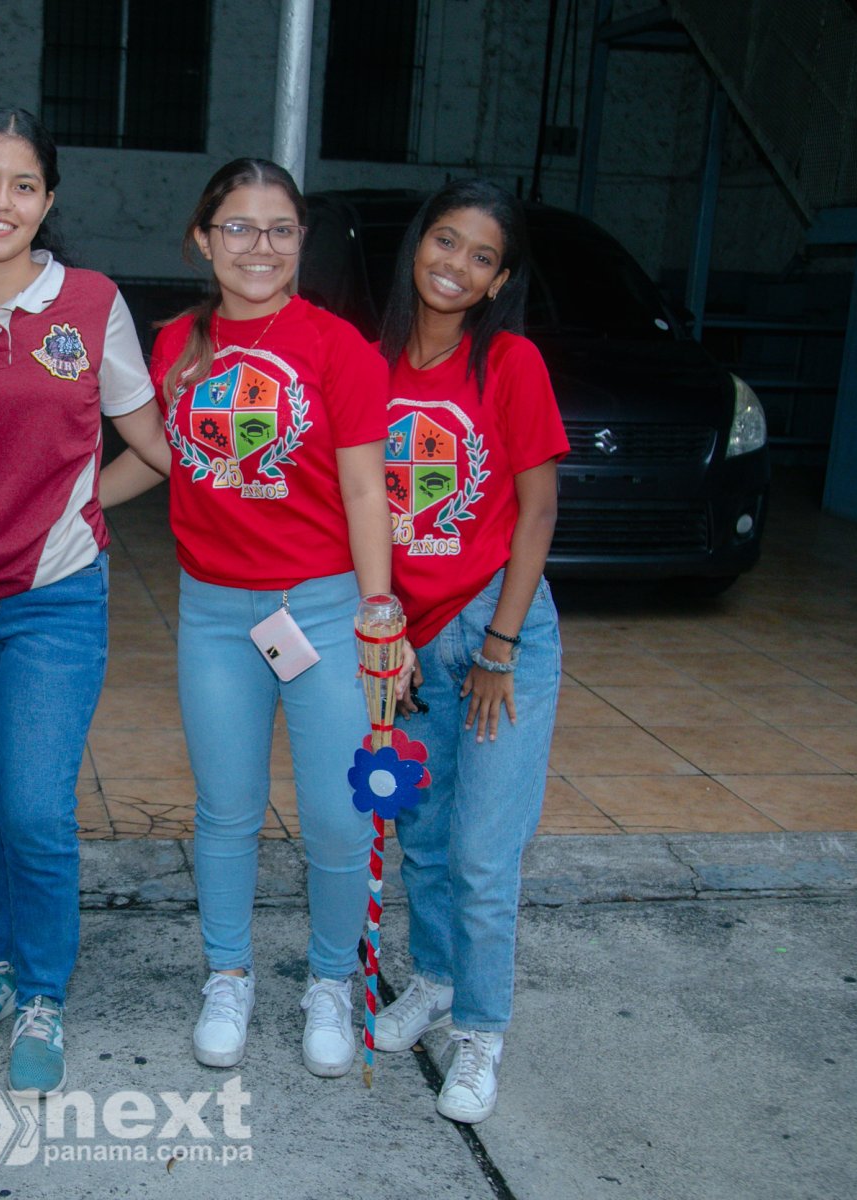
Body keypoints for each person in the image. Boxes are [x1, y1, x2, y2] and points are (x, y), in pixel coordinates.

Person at [111, 158, 407, 1078]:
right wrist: (72, 503)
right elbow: (168, 456)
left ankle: (330, 982)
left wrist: (379, 610)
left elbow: (366, 488)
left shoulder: (338, 347)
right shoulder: (176, 344)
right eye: (237, 227)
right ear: (203, 240)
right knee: (227, 809)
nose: (259, 247)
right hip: (213, 614)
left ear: (301, 241)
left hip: (322, 608)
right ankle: (228, 975)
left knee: (338, 815)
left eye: (280, 229)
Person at [0, 108, 170, 1098]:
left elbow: (153, 446)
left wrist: (78, 503)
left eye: (23, 185)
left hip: (54, 600)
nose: (0, 202)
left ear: (47, 200)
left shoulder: (91, 303)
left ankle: (45, 992)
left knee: (34, 809)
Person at [369, 179, 566, 1124]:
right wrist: (384, 632)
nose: (456, 265)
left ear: (498, 281)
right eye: (445, 241)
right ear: (419, 244)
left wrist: (500, 645)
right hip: (408, 644)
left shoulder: (511, 363)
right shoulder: (371, 364)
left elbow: (538, 511)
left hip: (496, 635)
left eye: (481, 257)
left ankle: (481, 1031)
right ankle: (438, 980)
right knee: (422, 838)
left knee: (484, 855)